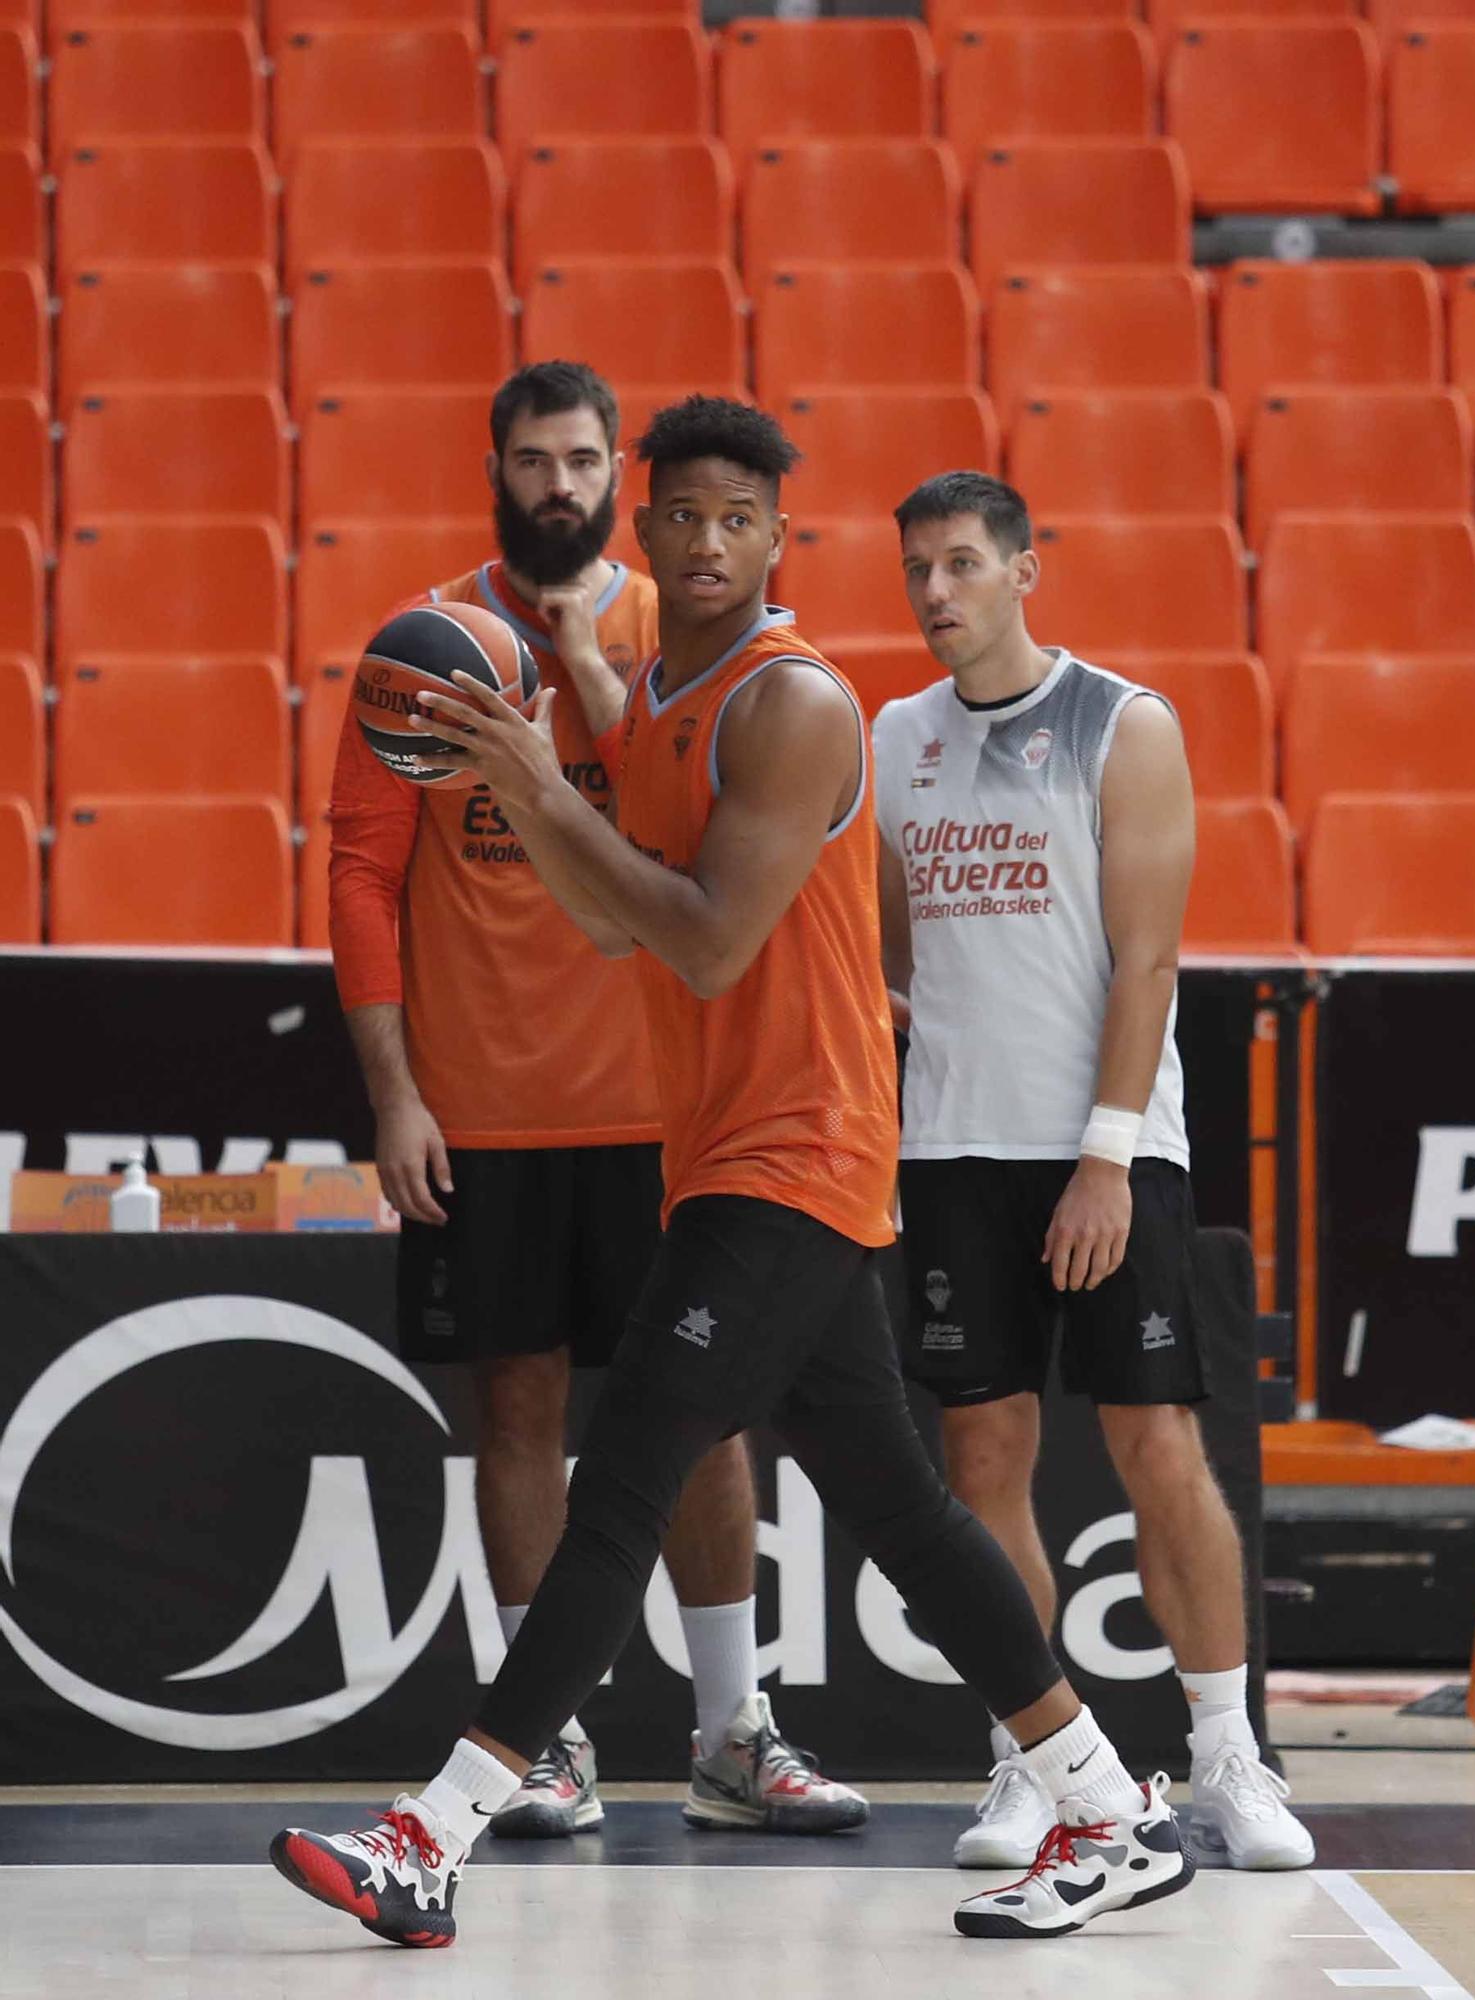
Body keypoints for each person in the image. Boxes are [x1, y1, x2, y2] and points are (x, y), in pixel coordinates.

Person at [272, 398, 1196, 1949]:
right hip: (721, 1148)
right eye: (680, 514)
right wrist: (528, 762)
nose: (703, 541)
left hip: (801, 1146)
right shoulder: (650, 700)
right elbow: (613, 916)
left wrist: (538, 779)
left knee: (622, 1474)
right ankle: (1108, 1802)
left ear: (777, 542)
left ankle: (432, 1835)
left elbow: (702, 936)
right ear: (645, 530)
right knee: (901, 1507)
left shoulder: (794, 704)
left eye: (735, 521)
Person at [327, 361, 861, 1840]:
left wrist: (596, 668)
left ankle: (728, 1729)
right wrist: (393, 1094)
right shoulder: (423, 645)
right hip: (484, 1105)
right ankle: (545, 1739)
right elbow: (363, 875)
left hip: (660, 1107)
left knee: (694, 1419)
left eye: (579, 461)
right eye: (530, 459)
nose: (556, 483)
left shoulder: (674, 631)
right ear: (494, 468)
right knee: (516, 1404)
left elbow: (701, 842)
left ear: (616, 475)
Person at [872, 470, 1314, 1875]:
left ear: (1022, 570)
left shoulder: (1119, 725)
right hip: (950, 1147)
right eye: (915, 571)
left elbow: (1149, 960)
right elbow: (891, 953)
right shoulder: (891, 736)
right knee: (983, 1459)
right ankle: (1031, 1760)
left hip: (1111, 1150)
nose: (934, 592)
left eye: (958, 564)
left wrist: (1105, 1158)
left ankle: (1228, 1756)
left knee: (1153, 1445)